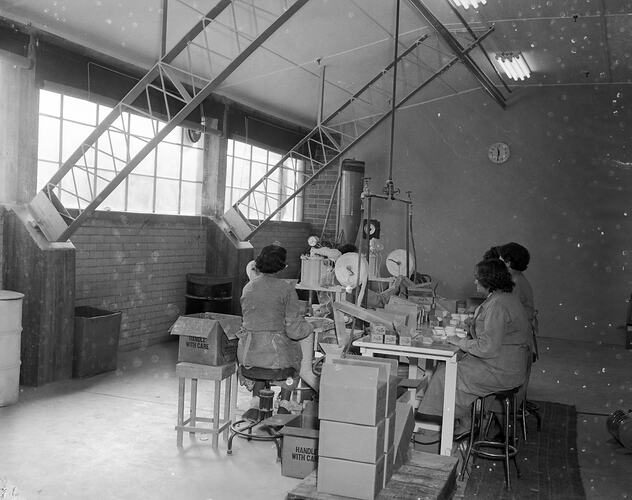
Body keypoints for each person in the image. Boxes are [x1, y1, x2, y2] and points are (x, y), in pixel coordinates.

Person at [417, 258, 532, 435]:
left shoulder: (498, 305)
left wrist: (458, 340)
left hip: (502, 370)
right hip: (506, 363)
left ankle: (440, 429)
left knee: (446, 374)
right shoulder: (503, 298)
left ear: (489, 280)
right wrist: (472, 324)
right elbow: (494, 329)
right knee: (450, 366)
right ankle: (463, 419)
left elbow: (487, 347)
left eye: (478, 278)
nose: (475, 281)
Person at [237, 244, 313, 420]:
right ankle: (284, 404)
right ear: (282, 266)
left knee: (260, 358)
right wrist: (311, 326)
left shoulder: (248, 287)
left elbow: (255, 322)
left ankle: (257, 401)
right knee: (294, 357)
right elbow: (295, 330)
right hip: (276, 360)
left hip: (248, 358)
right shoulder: (286, 288)